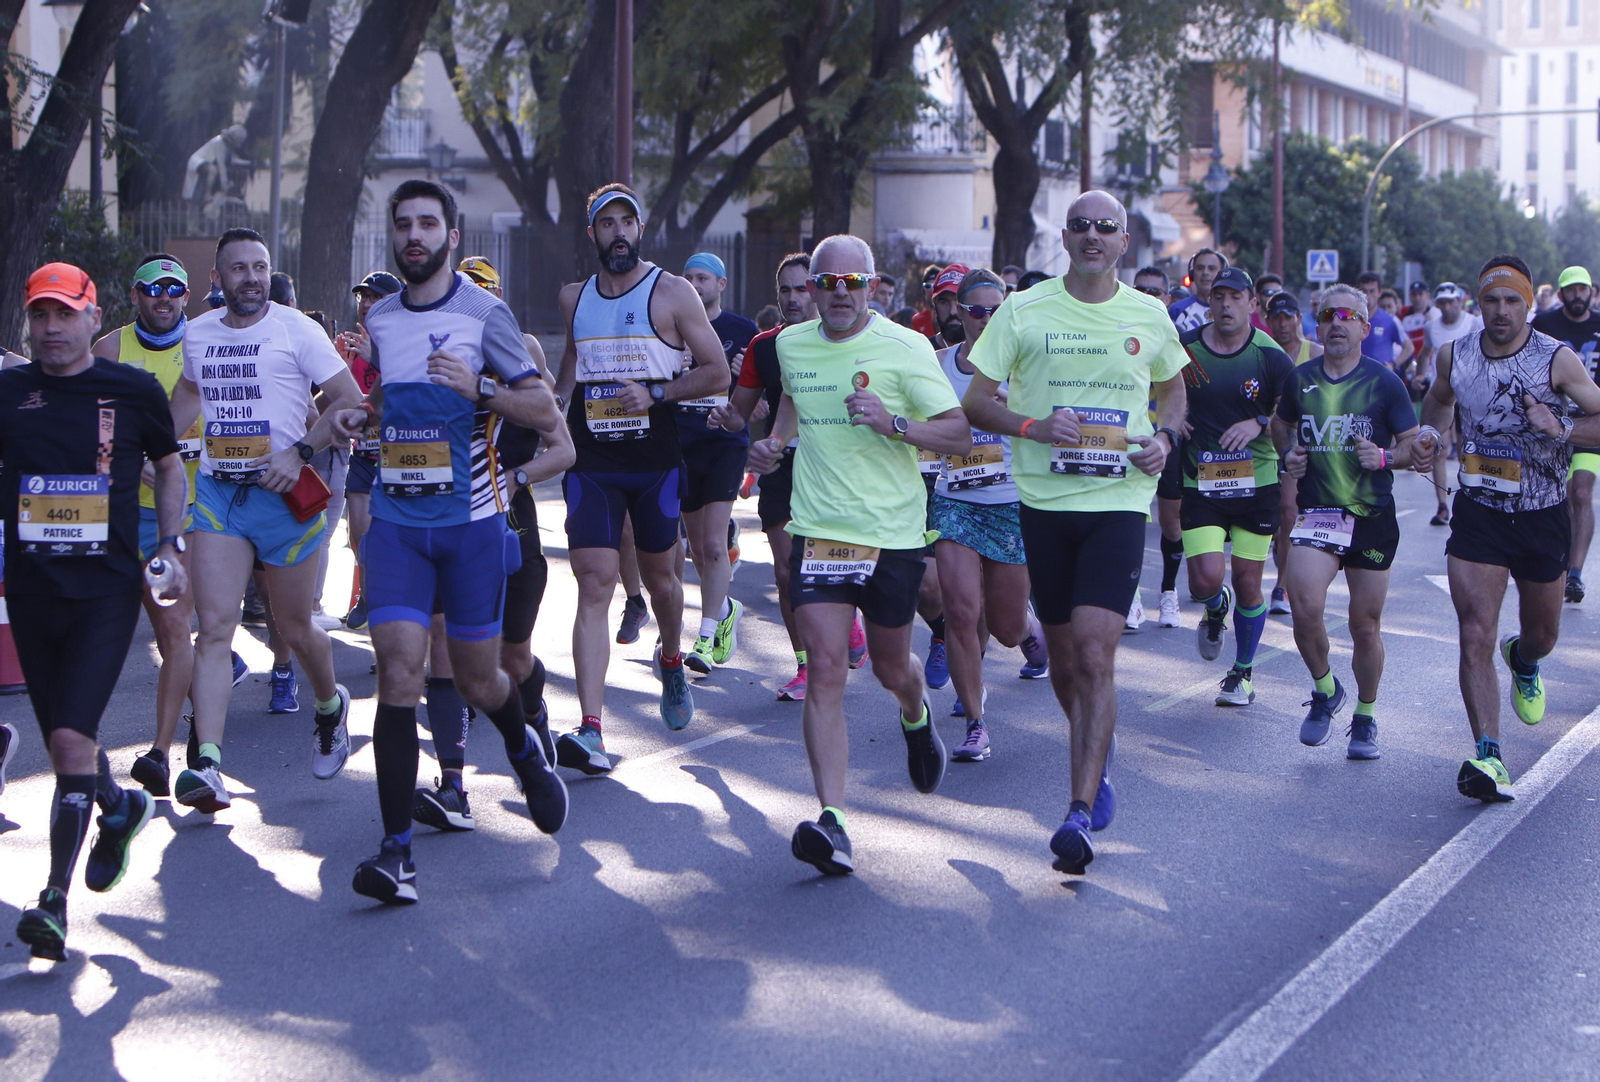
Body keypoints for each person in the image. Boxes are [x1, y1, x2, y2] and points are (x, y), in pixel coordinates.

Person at [320, 180, 570, 902]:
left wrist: (480, 390)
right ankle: (397, 854)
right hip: (398, 525)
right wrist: (355, 419)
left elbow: (545, 411)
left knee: (476, 678)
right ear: (392, 237)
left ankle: (523, 748)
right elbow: (390, 402)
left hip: (471, 525)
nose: (414, 236)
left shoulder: (485, 314)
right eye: (402, 226)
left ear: (452, 237)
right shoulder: (385, 320)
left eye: (428, 224)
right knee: (398, 673)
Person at [962, 192, 1187, 875]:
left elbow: (1175, 389)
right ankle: (1096, 738)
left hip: (1118, 502)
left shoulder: (1149, 315)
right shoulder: (1023, 311)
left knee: (1093, 654)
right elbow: (975, 400)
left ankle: (1079, 811)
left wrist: (1167, 438)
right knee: (1064, 663)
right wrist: (1031, 427)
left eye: (1107, 228)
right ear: (1065, 238)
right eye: (1082, 226)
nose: (1093, 236)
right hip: (1044, 502)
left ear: (1125, 243)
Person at [746, 233, 970, 876]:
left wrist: (894, 424)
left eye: (852, 283)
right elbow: (792, 405)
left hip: (893, 536)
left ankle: (914, 712)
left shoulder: (906, 347)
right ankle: (834, 821)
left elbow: (956, 433)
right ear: (810, 290)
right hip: (820, 528)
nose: (839, 294)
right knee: (824, 668)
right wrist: (775, 445)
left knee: (892, 668)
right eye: (826, 283)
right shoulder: (790, 345)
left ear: (873, 286)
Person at [6, 262, 189, 960]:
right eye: (40, 316)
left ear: (92, 316)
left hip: (107, 589)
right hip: (31, 589)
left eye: (64, 315)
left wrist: (170, 540)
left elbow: (169, 465)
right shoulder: (10, 392)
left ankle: (52, 899)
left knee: (71, 744)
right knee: (65, 742)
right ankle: (118, 807)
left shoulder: (132, 389)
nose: (52, 330)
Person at [166, 228, 363, 812]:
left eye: (259, 267)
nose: (250, 278)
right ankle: (207, 765)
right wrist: (137, 446)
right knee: (216, 628)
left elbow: (351, 402)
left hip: (285, 499)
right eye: (238, 269)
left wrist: (300, 451)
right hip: (221, 500)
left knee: (296, 629)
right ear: (218, 279)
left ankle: (330, 707)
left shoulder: (296, 329)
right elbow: (182, 403)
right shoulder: (197, 334)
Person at [550, 183, 730, 773]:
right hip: (594, 466)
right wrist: (552, 412)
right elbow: (570, 371)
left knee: (664, 585)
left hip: (654, 464)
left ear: (639, 230)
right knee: (595, 585)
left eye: (627, 223)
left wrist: (655, 392)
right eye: (607, 225)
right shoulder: (574, 298)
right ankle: (592, 728)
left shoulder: (673, 293)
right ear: (593, 234)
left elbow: (717, 371)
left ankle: (673, 658)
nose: (618, 234)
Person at [1415, 256, 1600, 803]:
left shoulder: (1556, 360)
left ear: (1527, 304)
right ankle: (1489, 755)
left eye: (1512, 301)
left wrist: (1561, 424)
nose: (1500, 310)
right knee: (1475, 631)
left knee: (1541, 636)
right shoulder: (1457, 355)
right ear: (1479, 302)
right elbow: (1438, 399)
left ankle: (1525, 661)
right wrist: (1430, 433)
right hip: (1480, 514)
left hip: (1543, 515)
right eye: (1491, 300)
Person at [89, 255, 228, 795]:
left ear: (187, 295)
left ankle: (159, 753)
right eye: (153, 290)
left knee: (175, 629)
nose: (163, 299)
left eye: (174, 289)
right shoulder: (110, 350)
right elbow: (94, 435)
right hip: (122, 514)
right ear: (135, 296)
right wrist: (125, 461)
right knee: (101, 632)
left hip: (186, 513)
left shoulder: (207, 344)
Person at [1271, 284, 1419, 761]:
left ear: (1364, 326)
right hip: (1319, 513)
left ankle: (1366, 717)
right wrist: (1287, 454)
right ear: (1319, 324)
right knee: (1304, 606)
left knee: (1364, 626)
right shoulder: (1301, 379)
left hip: (1371, 516)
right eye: (1328, 315)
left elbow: (1415, 446)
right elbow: (1280, 423)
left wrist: (1384, 456)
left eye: (1347, 316)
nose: (1336, 322)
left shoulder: (1384, 383)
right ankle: (1325, 689)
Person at [712, 253, 852, 702]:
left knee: (829, 563)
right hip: (780, 464)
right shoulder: (764, 346)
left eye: (801, 288)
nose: (794, 299)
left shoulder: (847, 338)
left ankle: (851, 625)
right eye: (785, 291)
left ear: (817, 290)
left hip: (834, 465)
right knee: (788, 572)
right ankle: (804, 665)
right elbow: (741, 411)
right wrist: (727, 417)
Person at [929, 268, 1048, 761]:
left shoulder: (1025, 367)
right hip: (955, 499)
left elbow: (1051, 424)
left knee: (1003, 626)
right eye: (975, 310)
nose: (985, 319)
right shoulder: (936, 364)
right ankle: (976, 722)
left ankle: (1030, 630)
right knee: (959, 612)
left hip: (1011, 503)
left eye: (995, 310)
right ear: (958, 311)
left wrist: (1011, 406)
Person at [1177, 268, 1294, 707]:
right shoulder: (1186, 350)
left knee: (1249, 582)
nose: (1225, 305)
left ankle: (1242, 672)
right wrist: (1175, 416)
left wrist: (1260, 421)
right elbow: (1161, 391)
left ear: (1252, 304)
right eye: (1218, 296)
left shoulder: (1269, 354)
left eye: (1235, 297)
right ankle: (1213, 606)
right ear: (1209, 300)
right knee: (1204, 580)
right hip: (1201, 481)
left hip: (1256, 483)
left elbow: (1292, 405)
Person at [676, 251, 757, 673]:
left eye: (702, 277)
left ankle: (705, 638)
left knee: (712, 544)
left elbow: (759, 404)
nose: (694, 284)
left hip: (724, 442)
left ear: (721, 284)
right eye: (688, 277)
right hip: (683, 441)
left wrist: (745, 382)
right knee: (696, 550)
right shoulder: (673, 329)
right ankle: (724, 607)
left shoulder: (743, 331)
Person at [335, 269, 403, 630]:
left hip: (400, 456)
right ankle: (367, 593)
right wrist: (341, 368)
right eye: (363, 297)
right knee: (358, 534)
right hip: (362, 455)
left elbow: (405, 385)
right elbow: (336, 397)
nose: (366, 304)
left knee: (392, 539)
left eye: (375, 297)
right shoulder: (351, 343)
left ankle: (387, 604)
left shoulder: (406, 339)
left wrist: (376, 356)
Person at [1531, 266, 1600, 602]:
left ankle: (1574, 574)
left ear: (1592, 292)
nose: (1577, 296)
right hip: (1550, 424)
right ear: (1561, 295)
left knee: (1582, 492)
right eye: (1570, 290)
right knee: (1556, 496)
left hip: (1590, 423)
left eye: (1582, 290)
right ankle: (1554, 564)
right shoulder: (1544, 324)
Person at [1263, 290, 1320, 615]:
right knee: (1273, 520)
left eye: (1289, 317)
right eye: (1277, 318)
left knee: (1288, 511)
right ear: (1268, 321)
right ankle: (1278, 546)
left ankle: (1281, 587)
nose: (1283, 324)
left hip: (1296, 444)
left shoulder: (1315, 353)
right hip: (1259, 441)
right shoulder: (1263, 352)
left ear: (1299, 319)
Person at [1418, 282, 1483, 525]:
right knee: (1439, 449)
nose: (1447, 306)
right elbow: (1425, 353)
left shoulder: (1473, 322)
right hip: (1442, 392)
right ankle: (1442, 505)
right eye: (1442, 302)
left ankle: (1471, 499)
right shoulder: (1431, 327)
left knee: (1470, 450)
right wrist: (1419, 374)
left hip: (1469, 393)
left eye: (1451, 301)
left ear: (1459, 301)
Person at [1355, 272, 1414, 374]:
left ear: (1379, 293)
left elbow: (1409, 348)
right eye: (1364, 291)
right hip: (1355, 378)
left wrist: (1394, 365)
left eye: (1372, 291)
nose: (1368, 296)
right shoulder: (1350, 318)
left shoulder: (1391, 320)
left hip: (1380, 379)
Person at [1170, 249, 1226, 333]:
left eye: (1211, 268)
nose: (1205, 273)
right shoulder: (1176, 310)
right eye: (1200, 268)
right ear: (1192, 273)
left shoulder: (1230, 309)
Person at [911, 263, 942, 338]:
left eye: (936, 285)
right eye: (928, 286)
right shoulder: (917, 320)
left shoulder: (954, 317)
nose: (932, 290)